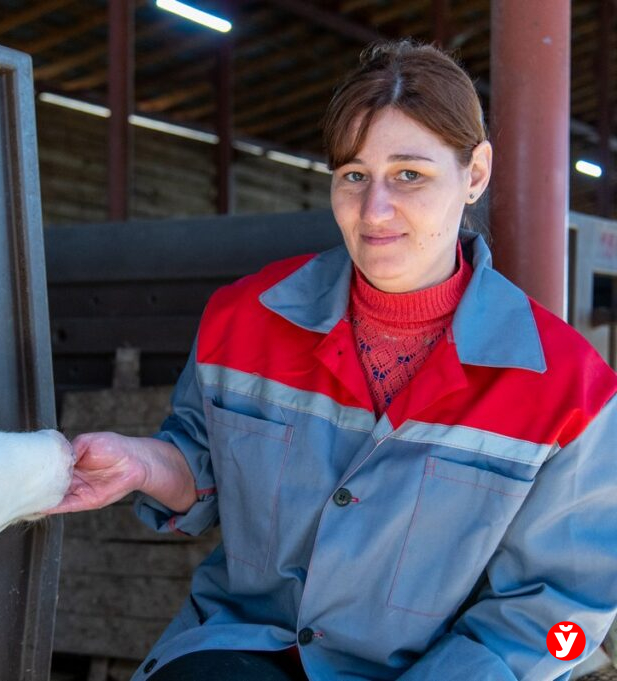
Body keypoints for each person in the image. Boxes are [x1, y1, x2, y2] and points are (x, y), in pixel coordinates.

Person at [48, 40, 617, 680]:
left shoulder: (571, 391)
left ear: (475, 173)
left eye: (409, 174)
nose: (374, 210)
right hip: (247, 651)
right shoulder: (244, 321)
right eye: (353, 175)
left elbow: (566, 612)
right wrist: (141, 463)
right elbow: (202, 463)